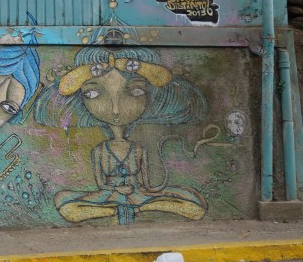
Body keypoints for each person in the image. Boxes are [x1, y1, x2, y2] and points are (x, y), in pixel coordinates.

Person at [35, 46, 208, 225]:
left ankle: (135, 208)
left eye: (136, 91)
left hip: (136, 193)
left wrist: (145, 190)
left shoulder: (138, 149)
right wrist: (116, 191)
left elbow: (146, 184)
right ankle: (122, 208)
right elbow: (101, 184)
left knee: (193, 205)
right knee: (64, 202)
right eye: (92, 93)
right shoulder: (99, 150)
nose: (116, 110)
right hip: (109, 195)